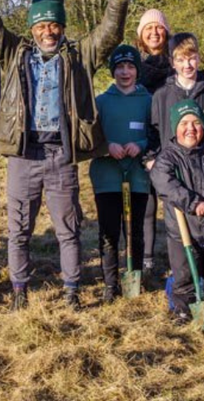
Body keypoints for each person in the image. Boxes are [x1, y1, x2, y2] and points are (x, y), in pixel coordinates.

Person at [0, 0, 131, 310]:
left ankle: (72, 291)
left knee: (68, 228)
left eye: (54, 24)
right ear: (32, 28)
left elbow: (109, 33)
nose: (48, 31)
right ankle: (19, 292)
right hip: (24, 154)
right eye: (41, 25)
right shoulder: (13, 53)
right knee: (18, 229)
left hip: (62, 154)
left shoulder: (79, 55)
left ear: (63, 27)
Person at [151, 100, 204, 324]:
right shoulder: (168, 158)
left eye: (196, 123)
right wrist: (194, 203)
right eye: (185, 123)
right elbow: (165, 183)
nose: (191, 128)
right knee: (184, 275)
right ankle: (182, 310)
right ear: (175, 127)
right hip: (183, 232)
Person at [89, 44, 152, 302]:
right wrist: (107, 146)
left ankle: (134, 277)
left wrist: (141, 145)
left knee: (135, 230)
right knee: (109, 231)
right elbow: (90, 138)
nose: (125, 72)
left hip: (137, 176)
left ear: (137, 70)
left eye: (130, 67)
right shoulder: (101, 102)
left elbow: (156, 134)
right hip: (107, 177)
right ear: (112, 71)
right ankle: (110, 283)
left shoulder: (148, 101)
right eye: (120, 67)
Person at [134, 9, 171, 277]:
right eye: (148, 29)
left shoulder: (177, 64)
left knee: (174, 203)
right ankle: (146, 260)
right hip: (145, 145)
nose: (154, 33)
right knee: (147, 205)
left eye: (159, 28)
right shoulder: (135, 68)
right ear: (141, 36)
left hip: (172, 144)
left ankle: (178, 256)